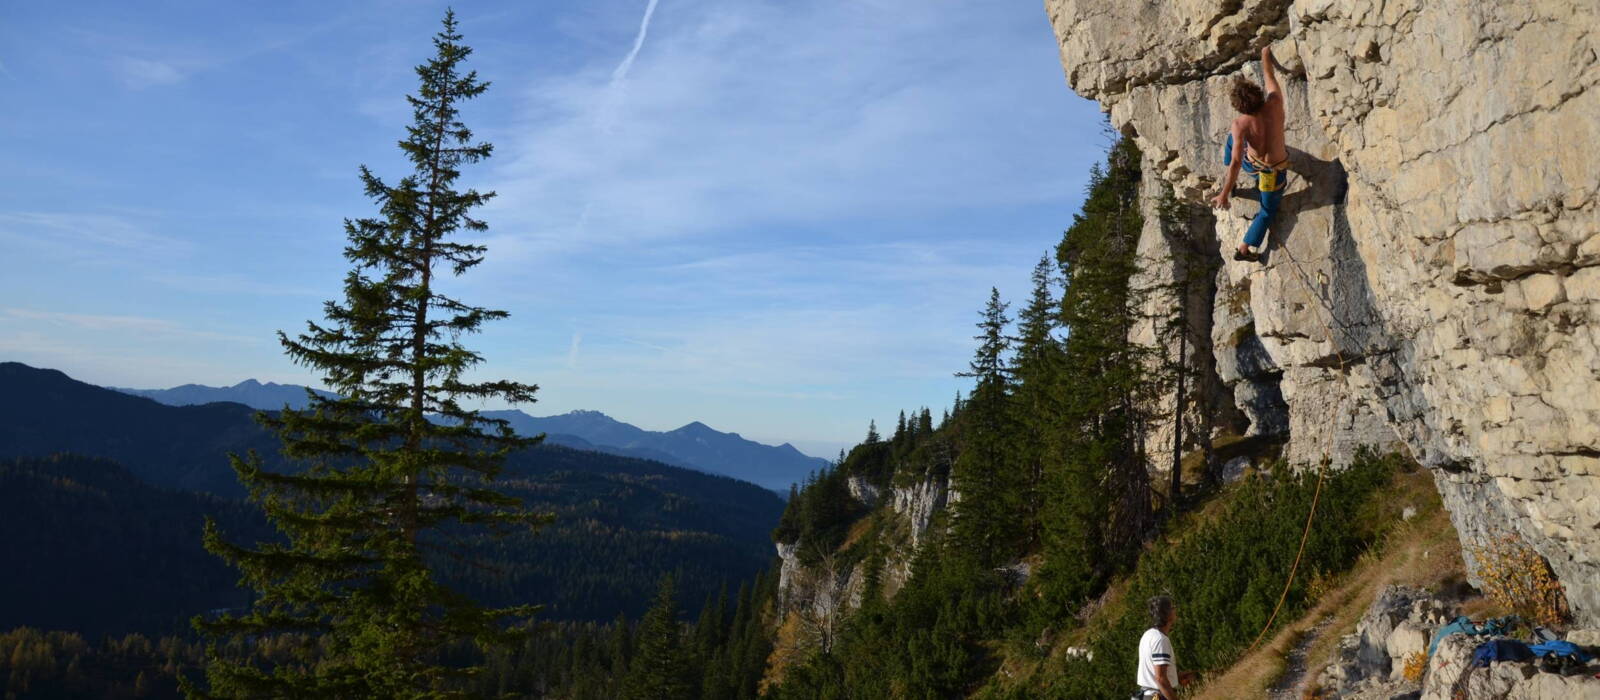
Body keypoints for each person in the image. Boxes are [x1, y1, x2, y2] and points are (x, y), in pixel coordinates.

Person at [1211, 45, 1290, 262]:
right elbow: (1269, 75)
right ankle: (1244, 248)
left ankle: (1244, 247)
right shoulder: (1274, 103)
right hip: (1275, 173)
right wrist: (1265, 55)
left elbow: (1236, 162)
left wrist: (1225, 193)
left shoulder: (1240, 124)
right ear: (1258, 94)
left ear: (1239, 107)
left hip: (1252, 165)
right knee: (1266, 211)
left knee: (1233, 141)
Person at [1135, 595, 1196, 699]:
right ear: (1167, 614)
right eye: (1172, 607)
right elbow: (1160, 679)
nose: (1175, 609)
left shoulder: (1148, 635)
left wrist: (1176, 677)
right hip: (1157, 696)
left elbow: (1154, 673)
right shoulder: (1160, 639)